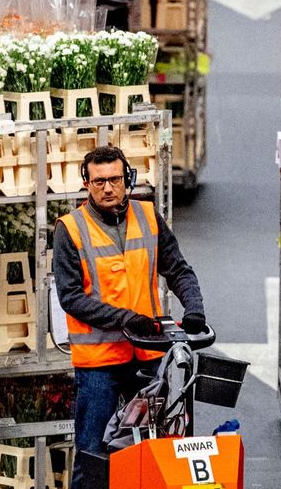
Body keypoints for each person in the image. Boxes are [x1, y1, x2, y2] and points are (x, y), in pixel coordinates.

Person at [53, 145, 206, 487]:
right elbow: (71, 297)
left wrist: (194, 307)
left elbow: (178, 269)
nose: (108, 188)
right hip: (99, 362)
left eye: (115, 180)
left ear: (128, 180)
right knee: (93, 453)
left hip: (148, 355)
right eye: (99, 182)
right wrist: (123, 318)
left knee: (154, 448)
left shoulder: (149, 216)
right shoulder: (70, 229)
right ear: (87, 184)